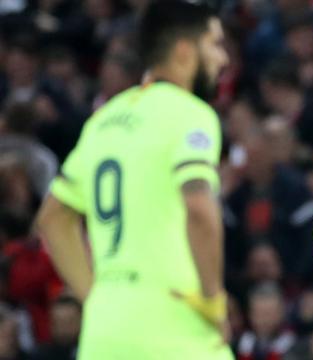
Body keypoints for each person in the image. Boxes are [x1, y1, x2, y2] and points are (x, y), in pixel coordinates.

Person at [34, 1, 232, 359]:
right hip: (174, 326)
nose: (224, 59)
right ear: (186, 51)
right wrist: (214, 303)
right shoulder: (190, 114)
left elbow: (52, 218)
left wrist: (94, 298)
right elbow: (199, 209)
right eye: (215, 44)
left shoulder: (102, 121)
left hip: (103, 334)